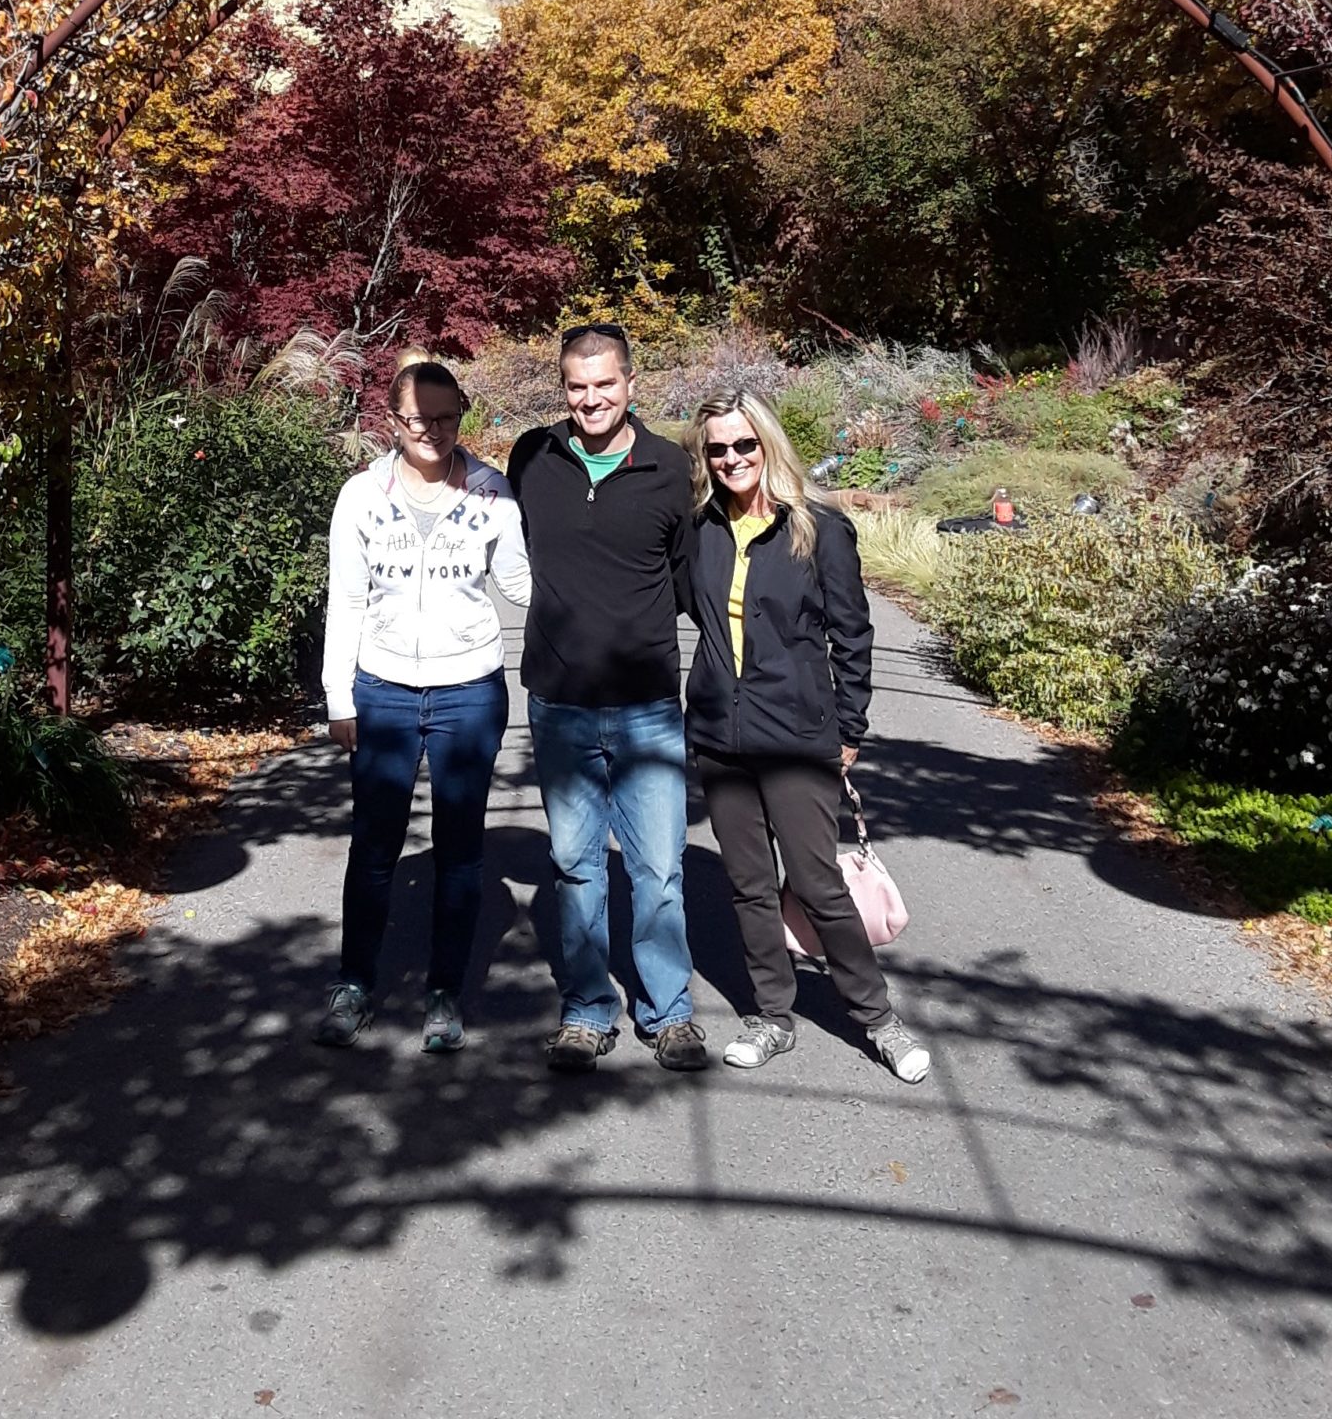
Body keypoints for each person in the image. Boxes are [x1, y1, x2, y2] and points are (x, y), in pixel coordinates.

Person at [686, 389, 931, 1085]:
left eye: (745, 444)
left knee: (820, 885)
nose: (732, 458)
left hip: (798, 736)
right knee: (749, 886)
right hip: (721, 736)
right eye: (717, 449)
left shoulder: (818, 528)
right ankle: (772, 1016)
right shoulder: (700, 527)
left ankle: (878, 1019)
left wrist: (850, 727)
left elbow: (852, 634)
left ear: (768, 443)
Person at [315, 357, 531, 1054]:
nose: (433, 432)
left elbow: (522, 584)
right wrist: (339, 695)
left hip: (469, 689)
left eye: (445, 418)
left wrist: (594, 578)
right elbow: (346, 599)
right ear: (393, 421)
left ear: (461, 415)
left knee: (460, 850)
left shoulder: (492, 493)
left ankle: (444, 991)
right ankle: (355, 983)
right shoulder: (361, 495)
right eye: (418, 420)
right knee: (374, 846)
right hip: (382, 691)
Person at [508, 322, 706, 1075]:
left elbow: (692, 582)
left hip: (646, 704)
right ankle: (588, 1010)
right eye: (576, 386)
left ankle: (668, 1013)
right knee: (574, 865)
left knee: (658, 869)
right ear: (563, 388)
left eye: (604, 384)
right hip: (559, 703)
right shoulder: (533, 457)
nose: (590, 399)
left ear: (630, 384)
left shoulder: (670, 470)